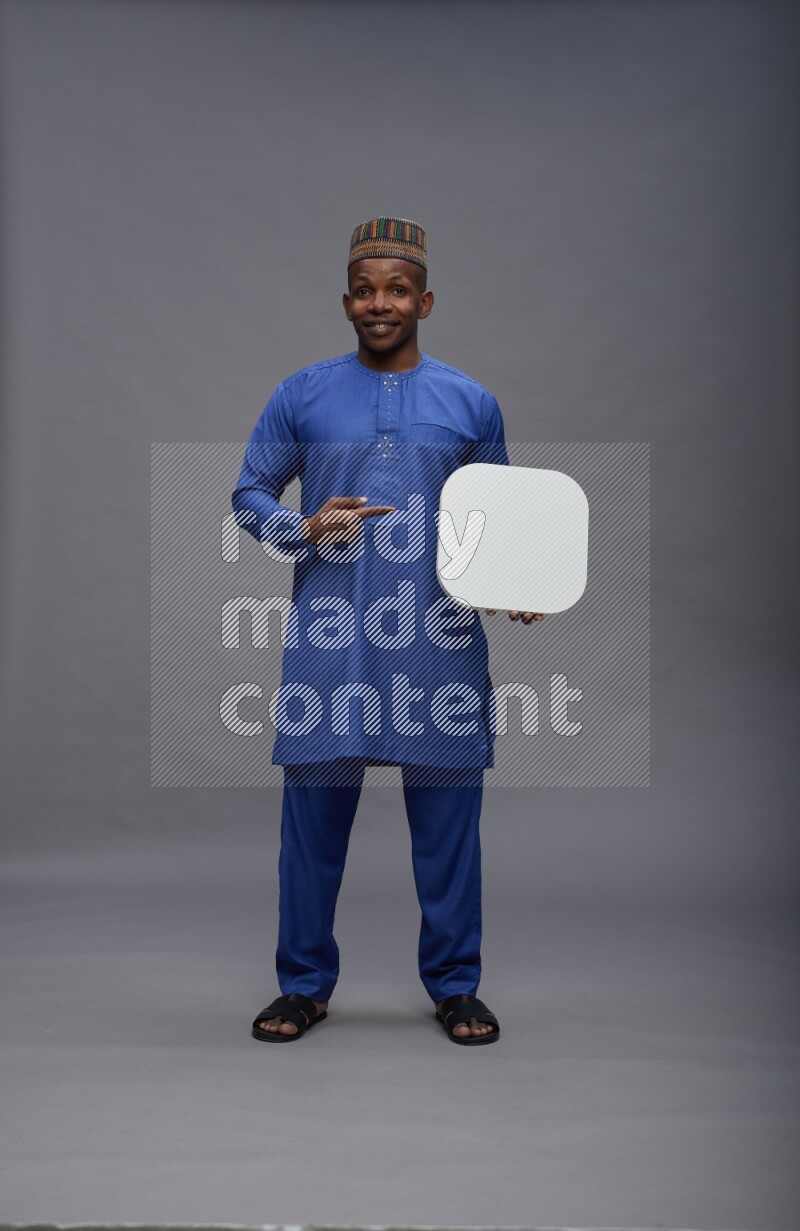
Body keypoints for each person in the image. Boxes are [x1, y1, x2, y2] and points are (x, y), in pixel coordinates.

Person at [231, 217, 543, 1045]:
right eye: (366, 289)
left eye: (397, 289)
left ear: (425, 300)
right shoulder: (301, 393)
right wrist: (303, 528)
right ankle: (303, 984)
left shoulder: (470, 401)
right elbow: (248, 497)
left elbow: (501, 519)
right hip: (330, 645)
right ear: (346, 300)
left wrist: (517, 583)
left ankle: (455, 986)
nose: (381, 302)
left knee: (448, 836)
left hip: (437, 645)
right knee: (310, 832)